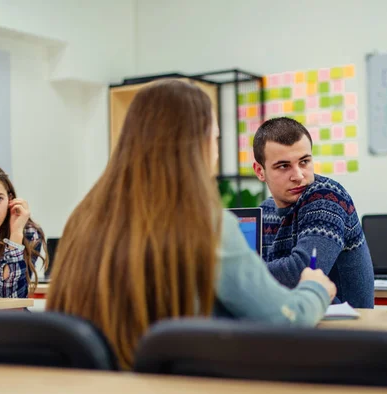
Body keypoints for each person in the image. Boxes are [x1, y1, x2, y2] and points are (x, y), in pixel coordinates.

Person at [46, 79, 336, 370]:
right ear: (199, 144)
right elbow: (285, 319)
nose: (217, 152)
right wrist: (315, 289)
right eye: (216, 140)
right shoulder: (206, 226)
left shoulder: (83, 218)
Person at [252, 117, 374, 308]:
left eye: (304, 162)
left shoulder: (326, 196)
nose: (298, 176)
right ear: (260, 171)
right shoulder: (264, 211)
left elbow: (300, 271)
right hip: (292, 324)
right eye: (283, 166)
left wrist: (233, 274)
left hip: (344, 331)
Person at [0, 163, 47, 297]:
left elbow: (13, 299)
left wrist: (16, 234)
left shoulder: (28, 233)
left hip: (11, 318)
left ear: (10, 199)